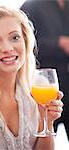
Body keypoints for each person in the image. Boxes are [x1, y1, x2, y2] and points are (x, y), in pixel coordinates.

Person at [0, 6, 63, 150]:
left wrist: (47, 120)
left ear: (25, 42)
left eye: (15, 38)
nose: (7, 48)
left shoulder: (39, 88)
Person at [21, 0, 69, 140]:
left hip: (67, 81)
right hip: (43, 83)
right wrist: (58, 43)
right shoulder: (31, 6)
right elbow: (23, 44)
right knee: (44, 136)